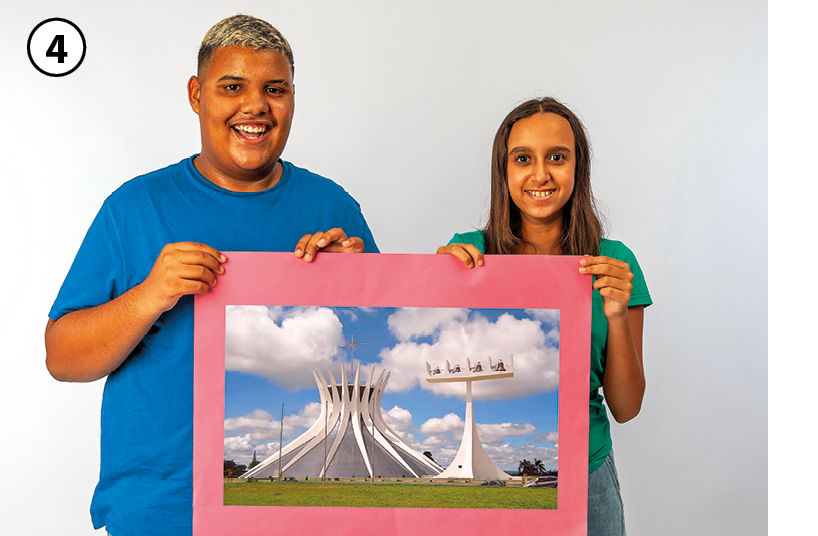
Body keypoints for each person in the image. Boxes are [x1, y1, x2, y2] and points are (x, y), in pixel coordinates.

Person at [45, 15, 377, 536]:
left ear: (293, 98)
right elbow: (62, 358)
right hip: (161, 514)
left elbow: (382, 340)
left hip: (303, 519)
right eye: (232, 87)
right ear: (197, 95)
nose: (256, 106)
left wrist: (359, 282)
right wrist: (149, 295)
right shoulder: (135, 208)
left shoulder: (331, 208)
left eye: (275, 89)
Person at [437, 97, 651, 536]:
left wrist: (615, 315)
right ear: (505, 171)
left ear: (578, 167)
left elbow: (626, 407)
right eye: (523, 159)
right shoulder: (470, 251)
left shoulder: (613, 262)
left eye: (557, 157)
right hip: (497, 486)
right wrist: (432, 280)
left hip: (587, 475)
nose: (540, 174)